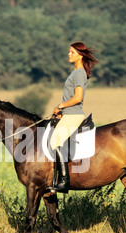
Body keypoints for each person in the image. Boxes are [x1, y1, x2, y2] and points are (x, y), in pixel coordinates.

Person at [49, 41, 98, 193]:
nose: (69, 54)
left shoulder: (79, 73)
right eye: (69, 52)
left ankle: (64, 182)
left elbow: (78, 98)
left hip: (74, 114)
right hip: (68, 114)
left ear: (80, 55)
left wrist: (60, 106)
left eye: (72, 52)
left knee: (55, 141)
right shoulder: (76, 72)